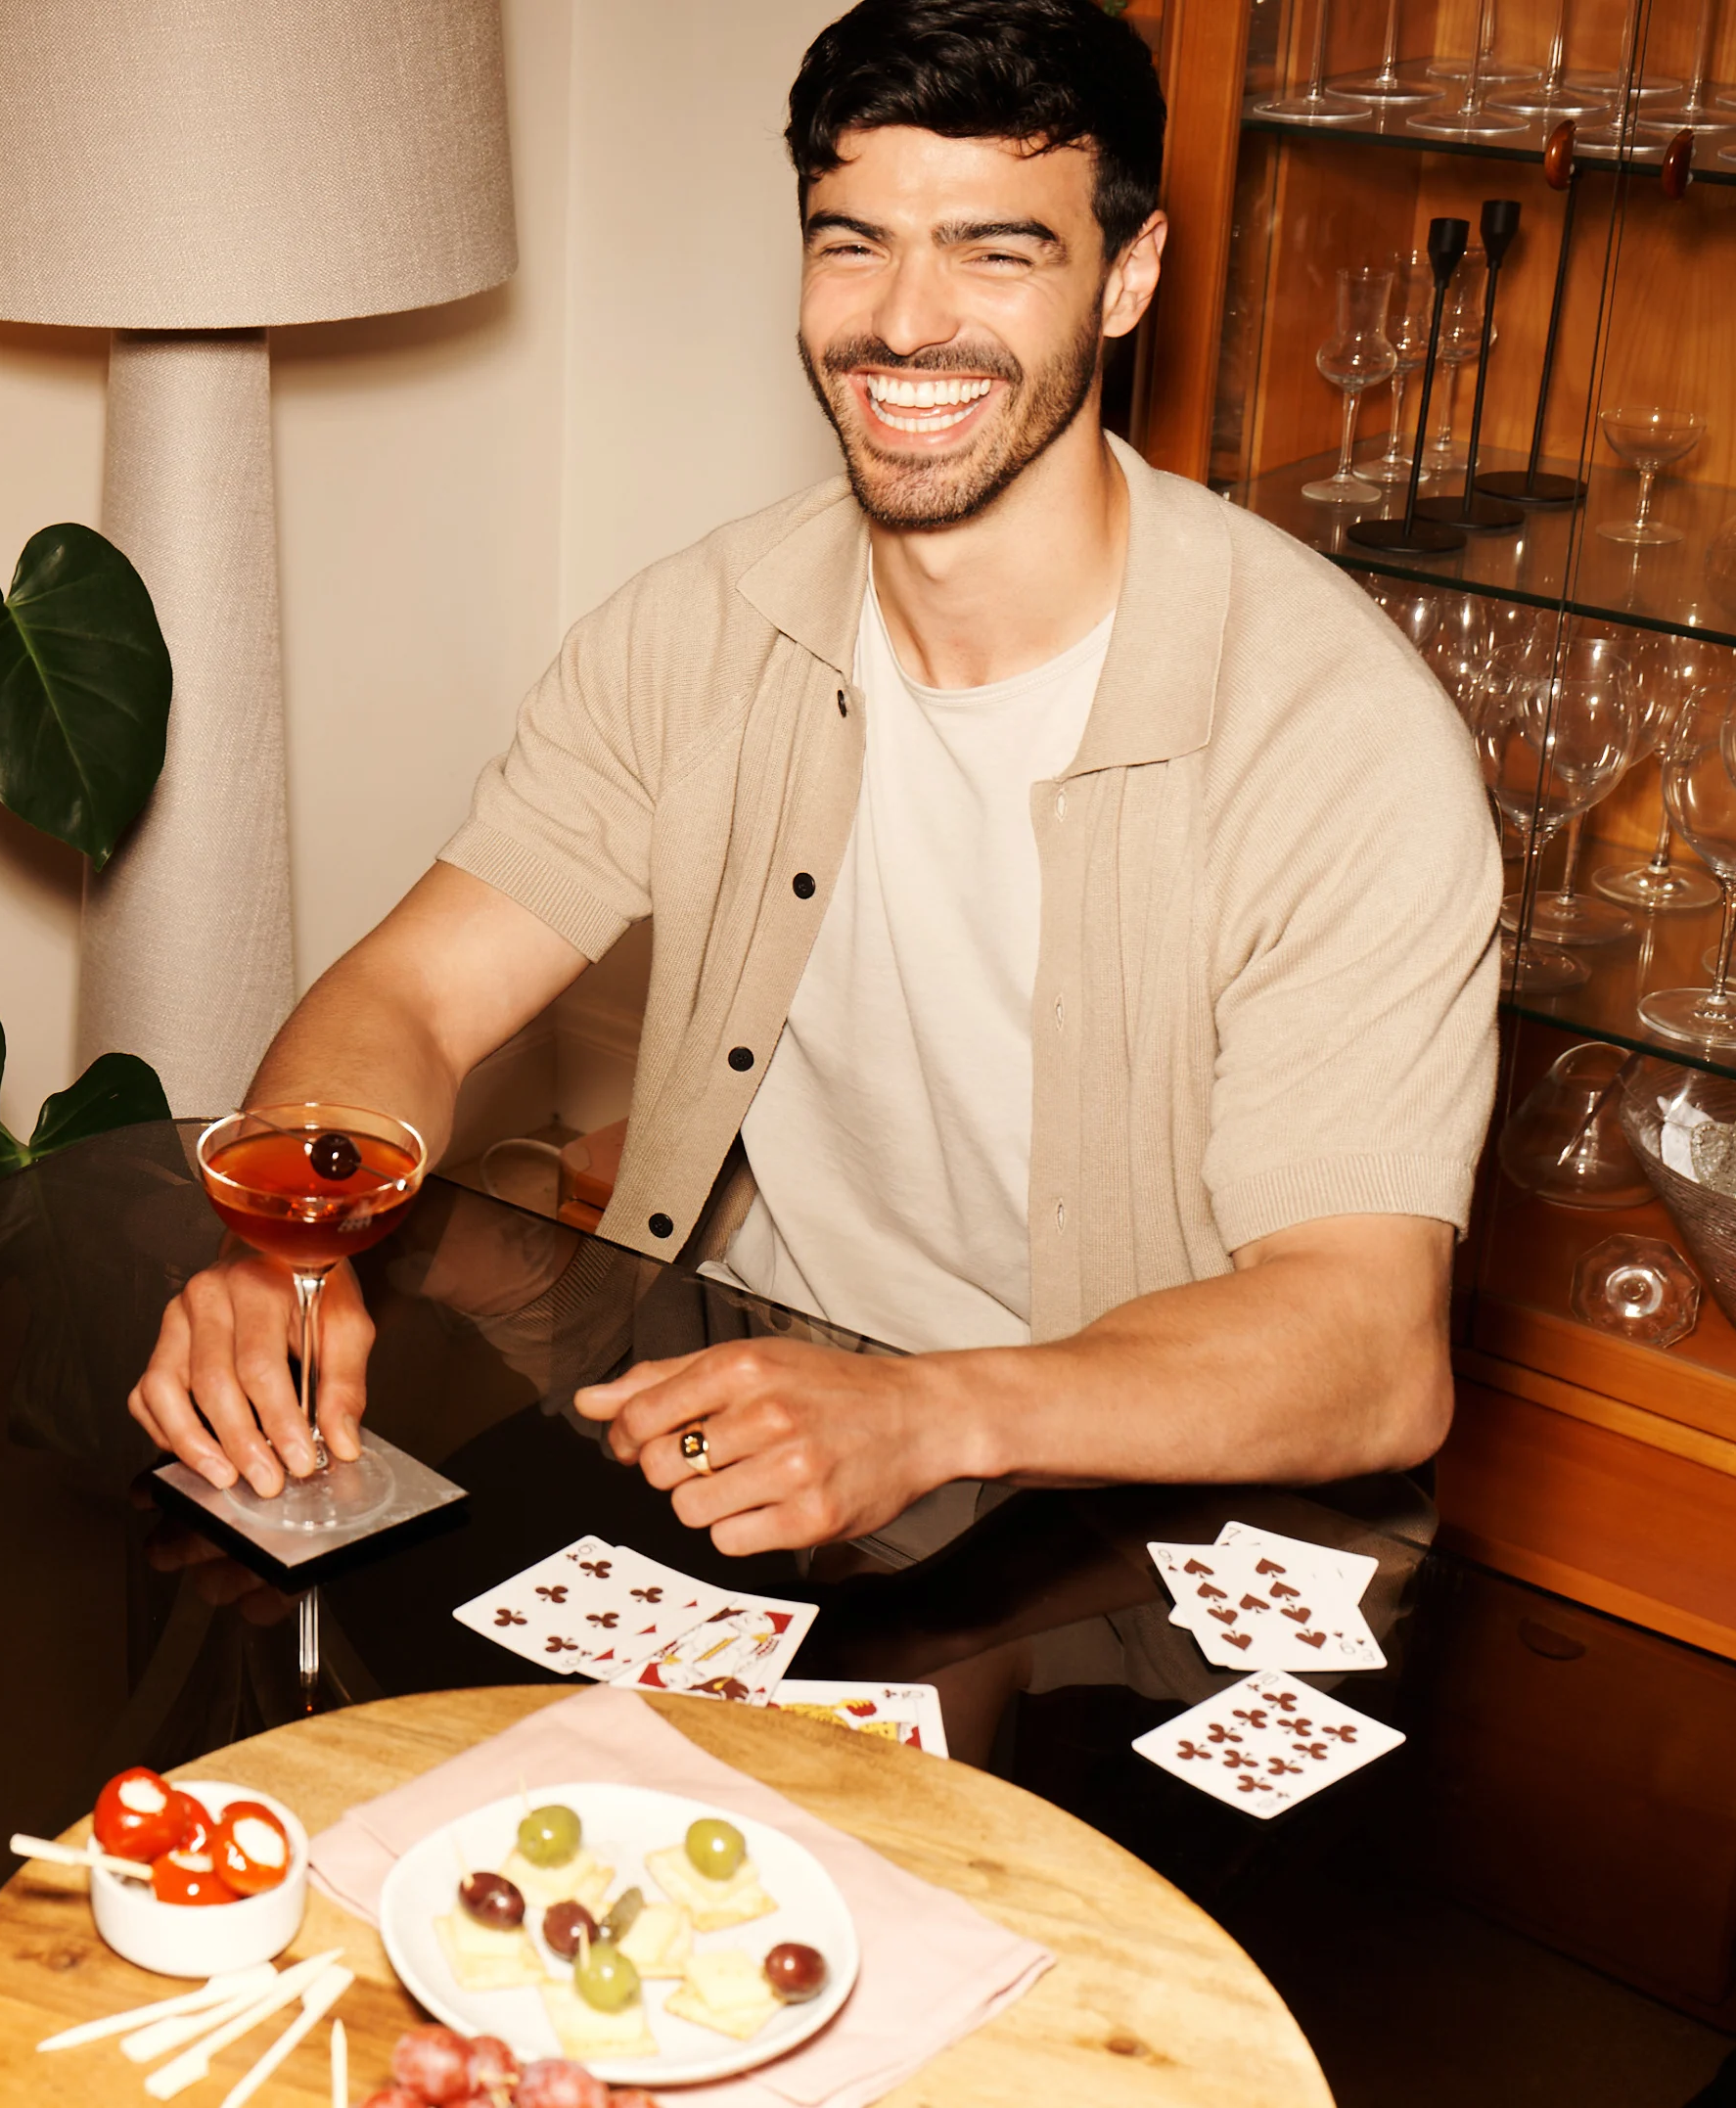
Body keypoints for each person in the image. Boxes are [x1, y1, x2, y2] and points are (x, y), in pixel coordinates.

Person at [128, 0, 1497, 1558]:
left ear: (1127, 277)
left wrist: (930, 1410)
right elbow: (417, 999)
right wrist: (289, 1248)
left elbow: (1369, 1348)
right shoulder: (696, 626)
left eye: (995, 252)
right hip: (749, 1427)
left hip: (1133, 1521)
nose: (905, 323)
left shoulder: (1336, 733)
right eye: (852, 244)